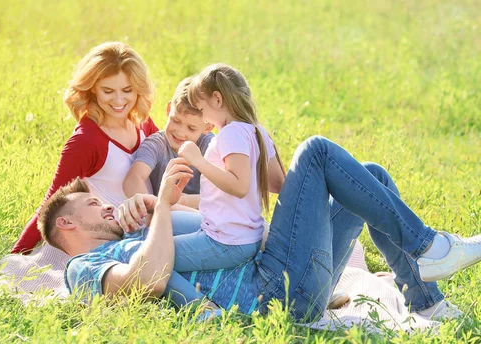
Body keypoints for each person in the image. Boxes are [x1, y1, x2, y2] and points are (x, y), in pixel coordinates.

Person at [39, 136, 481, 322]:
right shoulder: (83, 266)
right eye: (94, 202)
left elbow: (238, 232)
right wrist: (161, 213)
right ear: (67, 222)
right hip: (274, 293)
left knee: (372, 175)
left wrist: (160, 208)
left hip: (282, 271)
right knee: (317, 152)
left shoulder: (140, 233)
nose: (107, 205)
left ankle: (426, 301)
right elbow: (145, 280)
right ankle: (430, 247)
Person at [12, 41, 159, 254]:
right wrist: (16, 255)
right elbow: (52, 204)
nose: (119, 100)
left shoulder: (142, 123)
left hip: (158, 224)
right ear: (92, 90)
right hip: (117, 242)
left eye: (127, 90)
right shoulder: (86, 141)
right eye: (108, 91)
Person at [171, 64, 286, 272]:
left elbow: (239, 186)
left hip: (227, 240)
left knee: (159, 256)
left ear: (217, 99)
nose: (202, 116)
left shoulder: (230, 133)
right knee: (159, 227)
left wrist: (198, 161)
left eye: (202, 109)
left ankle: (202, 304)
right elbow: (279, 184)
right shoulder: (257, 131)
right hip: (243, 234)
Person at [122, 77, 214, 231]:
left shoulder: (210, 145)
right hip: (168, 220)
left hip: (206, 218)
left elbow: (224, 197)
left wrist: (183, 202)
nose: (180, 132)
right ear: (169, 109)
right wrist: (155, 208)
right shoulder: (157, 144)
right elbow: (133, 179)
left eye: (191, 128)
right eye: (176, 120)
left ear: (208, 127)